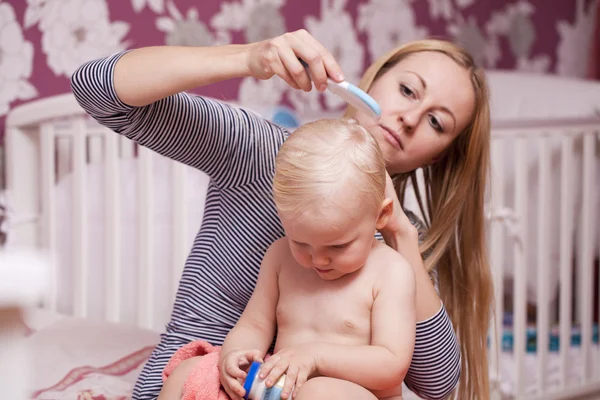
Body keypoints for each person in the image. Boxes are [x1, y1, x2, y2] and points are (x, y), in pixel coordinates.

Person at [70, 29, 493, 400]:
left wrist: (401, 235)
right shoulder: (259, 153)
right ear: (373, 79)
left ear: (441, 156)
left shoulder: (401, 246)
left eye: (437, 122)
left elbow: (436, 383)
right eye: (407, 90)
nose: (409, 118)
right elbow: (94, 88)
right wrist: (249, 58)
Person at [158, 118, 416, 400]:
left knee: (317, 392)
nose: (318, 259)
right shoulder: (280, 258)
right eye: (300, 241)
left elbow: (391, 364)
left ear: (381, 215)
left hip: (359, 394)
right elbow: (253, 326)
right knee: (190, 372)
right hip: (279, 391)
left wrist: (316, 357)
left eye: (338, 246)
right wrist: (235, 356)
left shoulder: (391, 271)